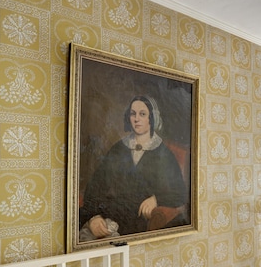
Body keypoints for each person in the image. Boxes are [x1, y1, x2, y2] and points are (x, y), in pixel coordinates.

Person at [79, 95, 188, 238]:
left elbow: (180, 193)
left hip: (135, 223)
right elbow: (95, 186)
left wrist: (156, 199)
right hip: (109, 215)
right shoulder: (118, 148)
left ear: (152, 118)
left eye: (142, 114)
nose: (136, 119)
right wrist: (93, 217)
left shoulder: (163, 153)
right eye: (133, 113)